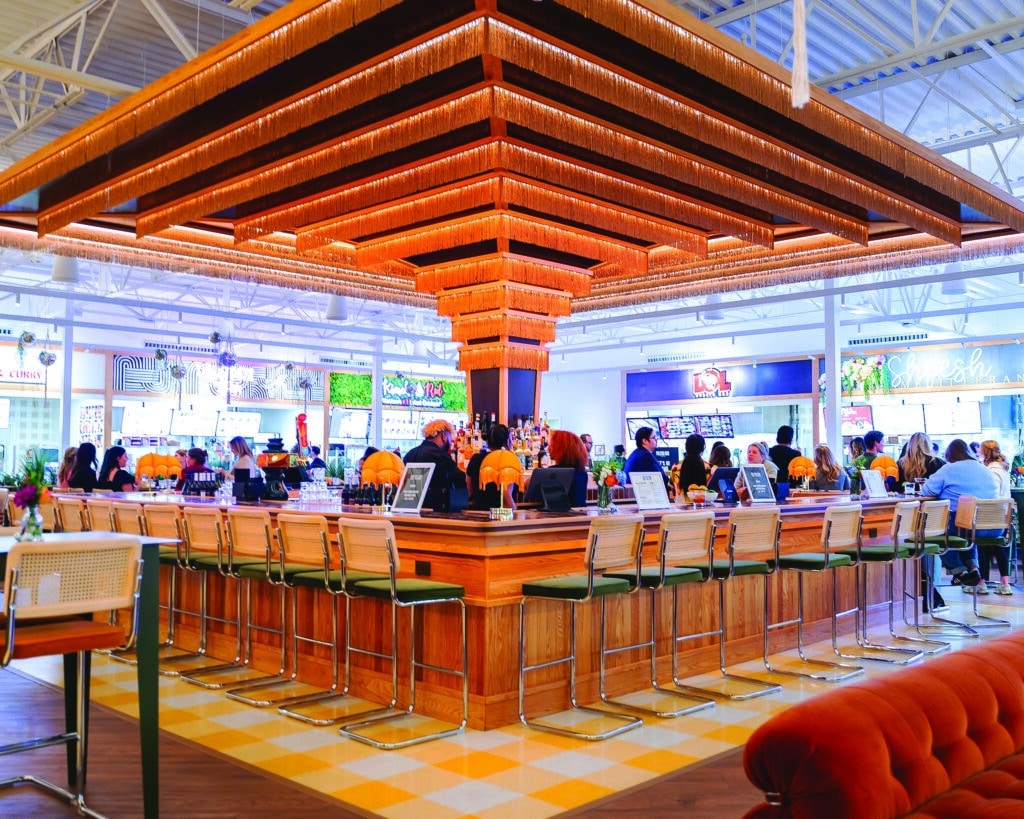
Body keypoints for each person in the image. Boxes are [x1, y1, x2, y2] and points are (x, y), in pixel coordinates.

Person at [921, 439, 999, 594]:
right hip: (993, 526)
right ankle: (973, 568)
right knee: (968, 533)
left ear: (950, 454)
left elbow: (927, 491)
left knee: (934, 532)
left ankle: (960, 572)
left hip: (964, 525)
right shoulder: (984, 469)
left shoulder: (949, 469)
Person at [403, 419, 466, 512]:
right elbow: (459, 478)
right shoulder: (440, 455)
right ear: (444, 436)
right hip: (435, 509)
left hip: (410, 508)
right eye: (450, 439)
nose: (451, 443)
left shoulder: (410, 454)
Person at [979, 439, 1013, 595]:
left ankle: (981, 582)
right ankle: (1005, 582)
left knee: (979, 543)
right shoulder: (1004, 469)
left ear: (984, 452)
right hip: (1003, 518)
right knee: (999, 546)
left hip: (990, 516)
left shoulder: (989, 472)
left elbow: (989, 496)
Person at [466, 424, 517, 511]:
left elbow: (469, 491)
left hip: (477, 515)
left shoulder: (475, 459)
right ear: (507, 442)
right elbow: (506, 496)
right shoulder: (508, 462)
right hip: (499, 517)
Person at [547, 429, 590, 507]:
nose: (548, 449)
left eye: (552, 445)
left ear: (562, 448)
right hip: (582, 516)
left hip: (560, 517)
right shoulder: (582, 473)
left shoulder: (553, 472)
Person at [623, 426, 670, 491]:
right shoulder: (645, 456)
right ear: (644, 441)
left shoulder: (637, 453)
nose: (656, 440)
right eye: (653, 437)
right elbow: (660, 479)